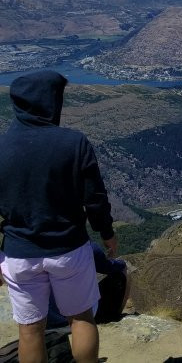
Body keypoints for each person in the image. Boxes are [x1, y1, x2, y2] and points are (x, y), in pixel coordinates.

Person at [0, 71, 117, 363]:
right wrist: (106, 233)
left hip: (18, 254)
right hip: (68, 250)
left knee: (29, 330)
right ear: (52, 102)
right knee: (81, 318)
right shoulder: (73, 143)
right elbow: (95, 199)